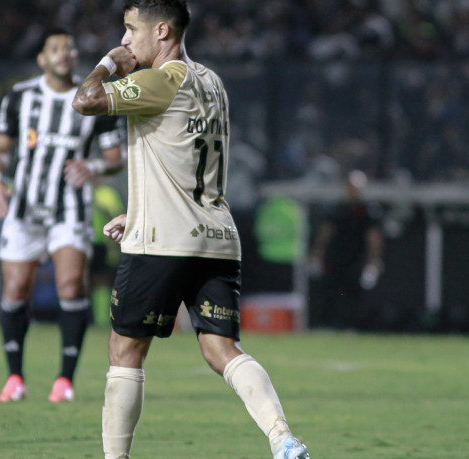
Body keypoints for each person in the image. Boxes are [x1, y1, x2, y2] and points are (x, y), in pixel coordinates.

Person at [71, 1, 309, 458]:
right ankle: (283, 440)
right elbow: (181, 158)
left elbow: (85, 101)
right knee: (222, 348)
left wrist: (108, 64)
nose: (124, 41)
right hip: (216, 234)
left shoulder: (161, 80)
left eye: (129, 30)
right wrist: (137, 210)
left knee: (125, 350)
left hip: (163, 241)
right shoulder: (212, 82)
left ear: (161, 31)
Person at [0, 28, 125, 403]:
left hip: (71, 208)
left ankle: (65, 381)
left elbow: (117, 158)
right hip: (25, 207)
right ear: (42, 59)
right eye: (56, 48)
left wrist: (93, 166)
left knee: (69, 286)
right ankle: (15, 376)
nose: (65, 53)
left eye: (70, 46)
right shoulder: (20, 96)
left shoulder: (95, 97)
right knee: (14, 289)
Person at [308, 169, 384, 329]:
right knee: (331, 290)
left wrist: (374, 259)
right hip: (336, 257)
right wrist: (317, 252)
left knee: (354, 292)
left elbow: (373, 237)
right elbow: (326, 231)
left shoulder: (368, 210)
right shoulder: (338, 208)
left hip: (357, 258)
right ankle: (329, 323)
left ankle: (352, 325)